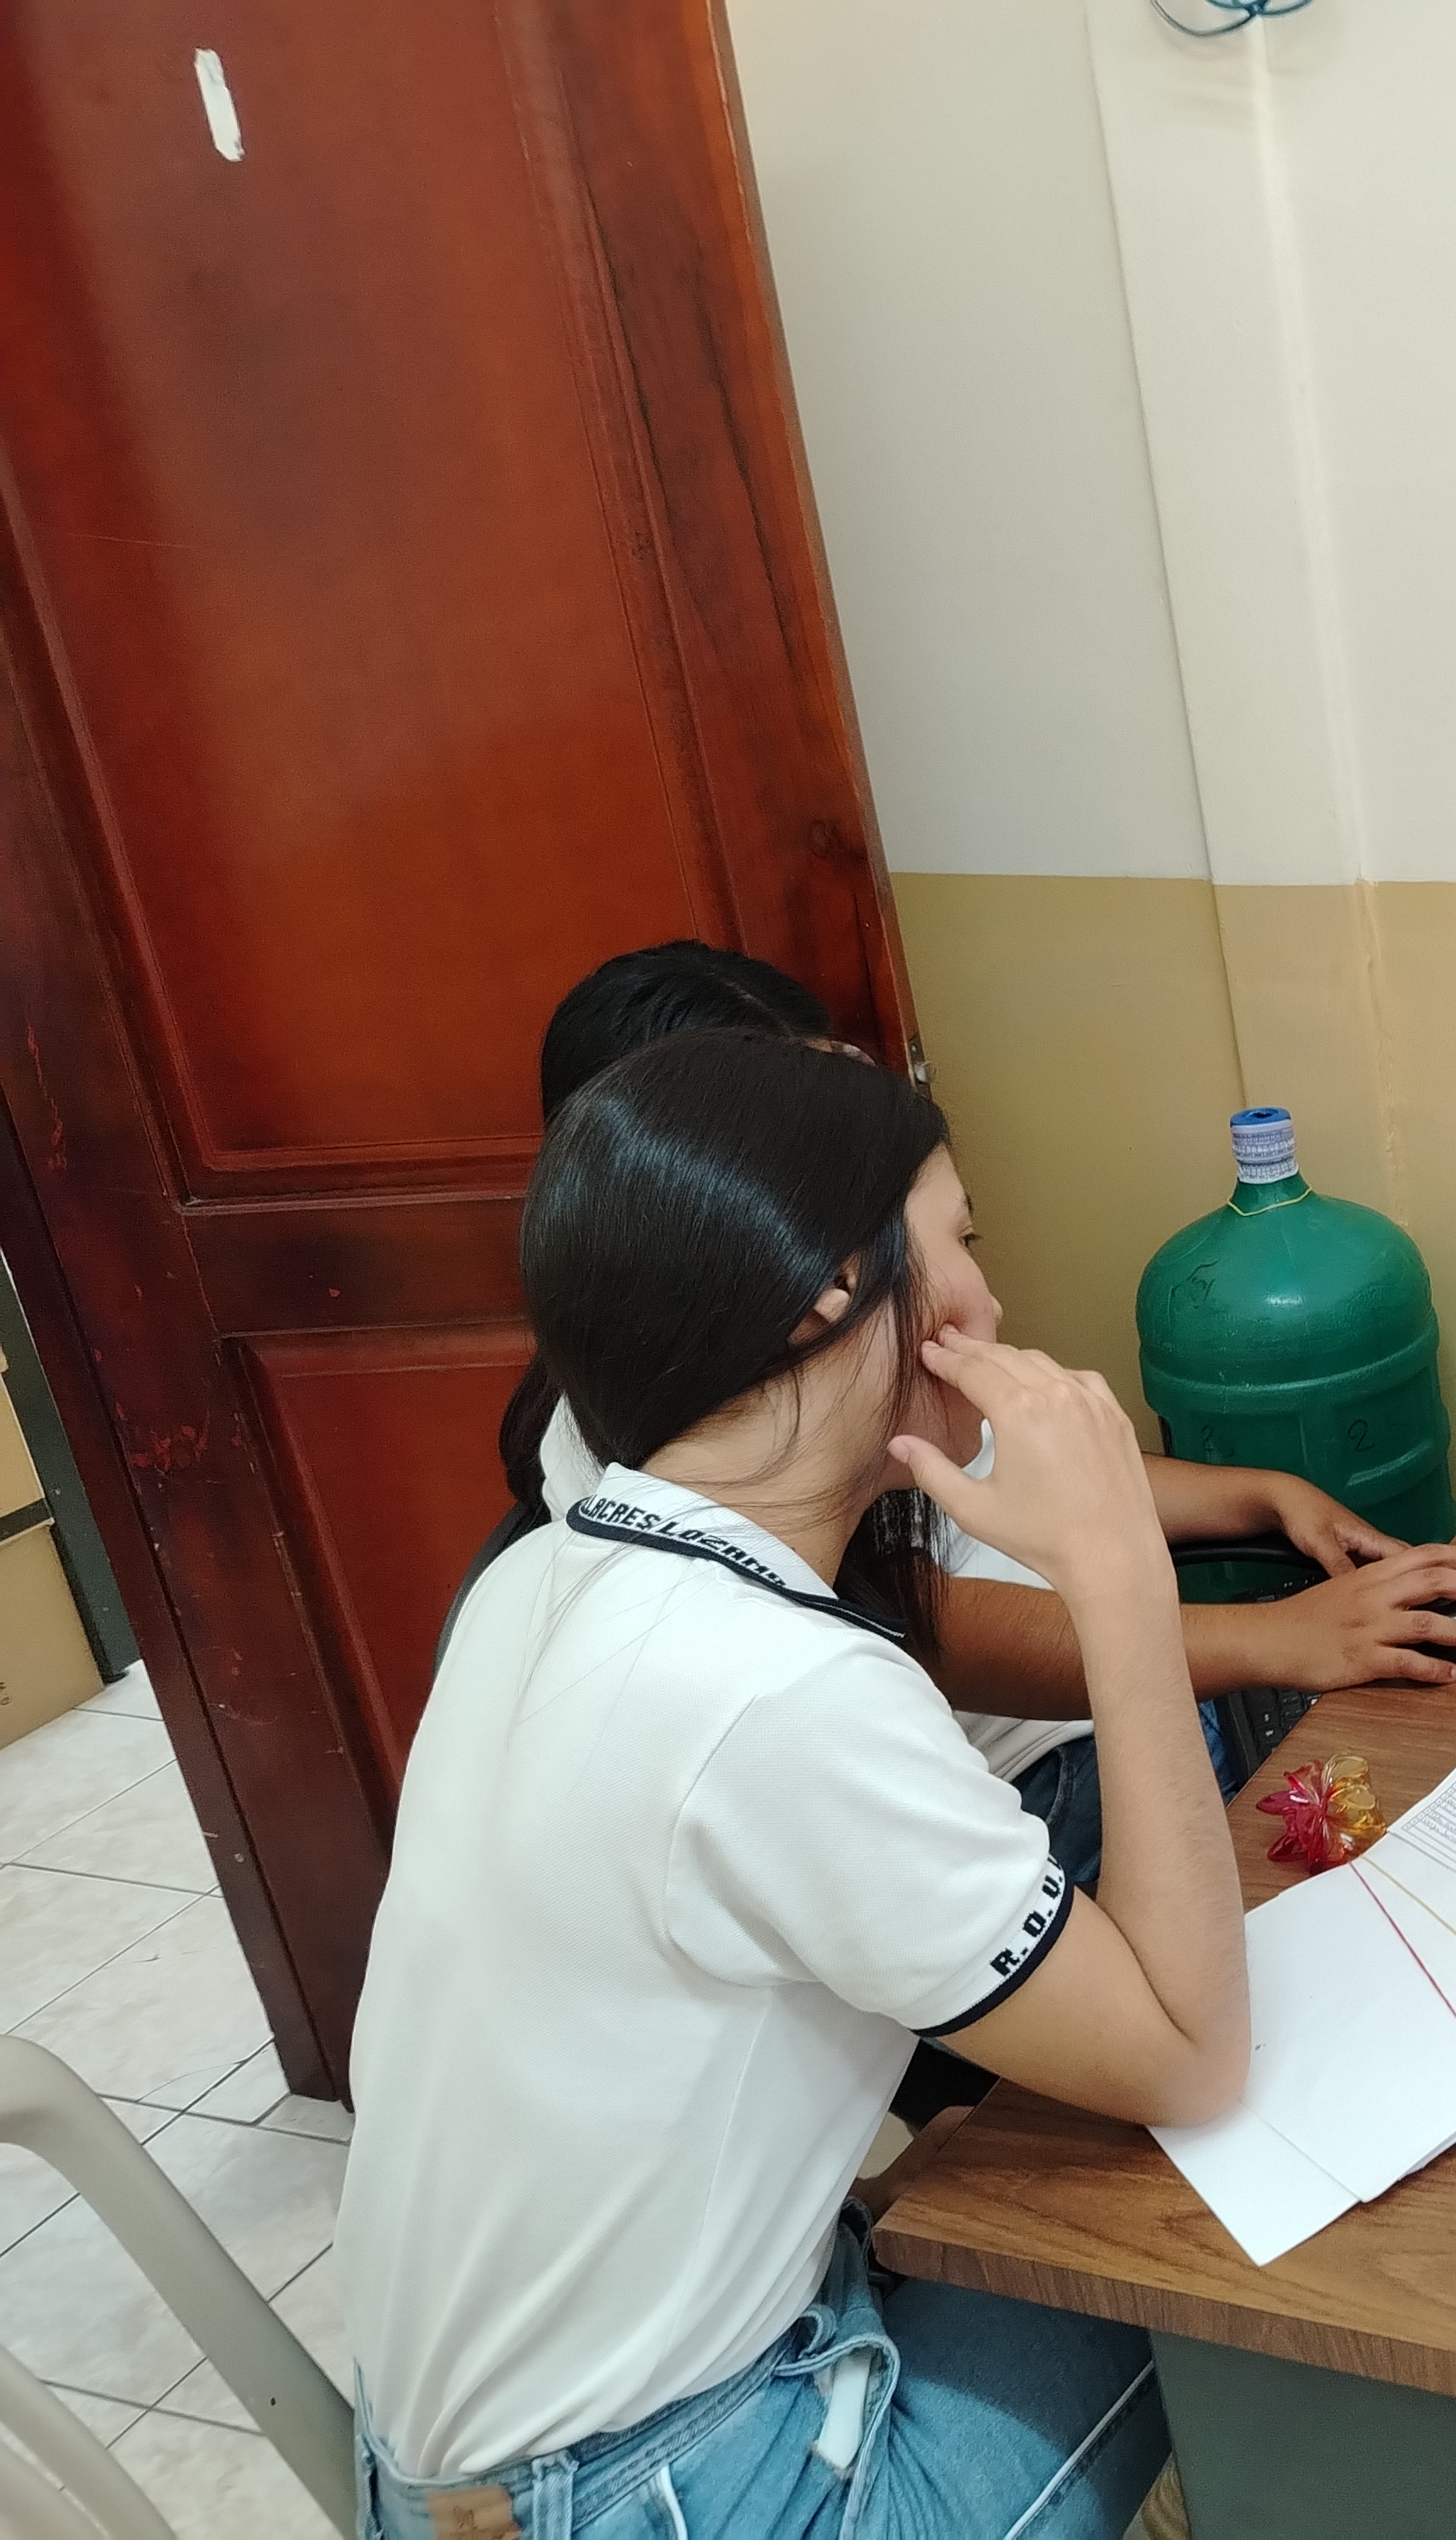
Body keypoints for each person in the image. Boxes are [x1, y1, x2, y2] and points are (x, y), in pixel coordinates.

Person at [345, 1031, 1244, 2535]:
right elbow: (1191, 2055)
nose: (991, 1306)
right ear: (830, 1288)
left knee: (996, 2160)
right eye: (962, 1244)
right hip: (668, 2492)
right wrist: (1120, 1587)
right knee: (1202, 2217)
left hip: (457, 2477)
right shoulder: (784, 1692)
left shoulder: (545, 1571)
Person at [494, 941, 1456, 1883]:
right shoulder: (682, 1476)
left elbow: (1021, 1461)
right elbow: (929, 1624)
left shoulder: (850, 1369)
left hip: (1138, 1681)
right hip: (1055, 1767)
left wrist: (1258, 1495)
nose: (983, 1303)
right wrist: (1275, 1639)